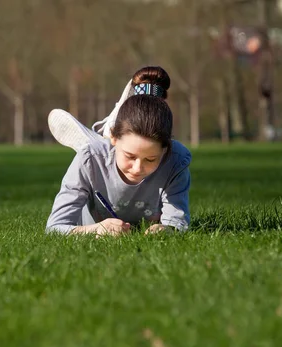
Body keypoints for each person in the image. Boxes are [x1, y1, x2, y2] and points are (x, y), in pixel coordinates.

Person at [45, 66, 192, 236]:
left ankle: (103, 141)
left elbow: (178, 224)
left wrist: (166, 230)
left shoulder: (176, 161)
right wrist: (96, 230)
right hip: (91, 220)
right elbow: (55, 227)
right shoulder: (89, 159)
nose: (137, 168)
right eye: (130, 156)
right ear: (114, 138)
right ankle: (102, 142)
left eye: (150, 159)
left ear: (166, 149)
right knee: (94, 155)